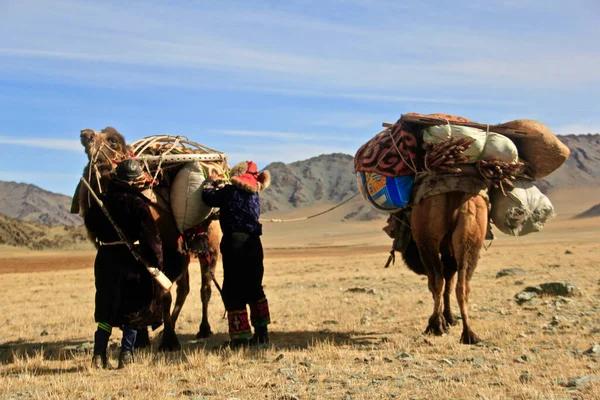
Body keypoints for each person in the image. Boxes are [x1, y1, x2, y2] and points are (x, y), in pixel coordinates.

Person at [86, 159, 164, 368]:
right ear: (133, 181)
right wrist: (156, 263)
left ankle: (98, 355)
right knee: (133, 309)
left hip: (105, 260)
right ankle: (126, 355)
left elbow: (90, 223)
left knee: (106, 306)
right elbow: (151, 237)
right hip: (131, 262)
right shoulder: (137, 203)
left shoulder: (100, 202)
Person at [202, 161, 271, 348]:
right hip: (255, 243)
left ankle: (239, 339)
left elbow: (208, 197)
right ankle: (262, 334)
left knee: (233, 289)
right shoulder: (255, 194)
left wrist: (210, 180)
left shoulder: (229, 192)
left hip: (234, 243)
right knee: (255, 287)